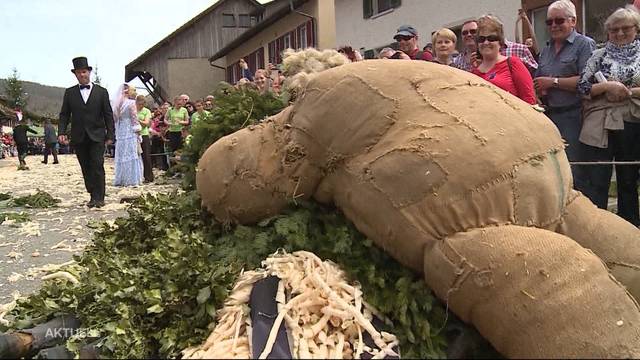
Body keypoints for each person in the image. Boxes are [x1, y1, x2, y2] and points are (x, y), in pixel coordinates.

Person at [576, 6, 640, 225]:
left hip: (633, 123)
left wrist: (627, 92)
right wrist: (606, 88)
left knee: (628, 180)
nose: (620, 34)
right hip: (601, 124)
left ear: (636, 29)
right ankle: (599, 228)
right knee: (598, 179)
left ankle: (630, 230)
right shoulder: (598, 55)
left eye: (625, 29)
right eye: (614, 30)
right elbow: (583, 87)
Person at [534, 0, 596, 190]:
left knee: (576, 171)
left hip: (576, 115)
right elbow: (539, 80)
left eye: (559, 21)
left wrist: (553, 82)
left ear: (573, 21)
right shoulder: (546, 49)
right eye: (549, 22)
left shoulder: (584, 44)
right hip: (550, 116)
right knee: (555, 170)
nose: (554, 26)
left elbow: (589, 81)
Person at [59, 57, 114, 208]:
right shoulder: (69, 93)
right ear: (75, 74)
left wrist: (111, 135)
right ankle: (92, 194)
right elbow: (64, 114)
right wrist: (61, 132)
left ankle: (99, 197)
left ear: (89, 72)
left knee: (97, 165)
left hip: (97, 135)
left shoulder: (102, 92)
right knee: (85, 167)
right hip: (78, 136)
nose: (82, 75)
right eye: (78, 73)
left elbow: (108, 114)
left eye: (84, 71)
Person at [472, 15, 537, 105]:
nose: (486, 42)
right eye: (481, 39)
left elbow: (529, 100)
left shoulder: (513, 63)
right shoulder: (474, 73)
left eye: (491, 38)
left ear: (500, 41)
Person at [112, 84, 143, 187]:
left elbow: (115, 119)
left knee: (122, 154)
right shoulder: (131, 103)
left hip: (121, 130)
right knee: (131, 153)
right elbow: (134, 118)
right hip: (129, 129)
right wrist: (138, 132)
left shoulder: (117, 104)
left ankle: (121, 178)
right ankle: (132, 179)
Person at [136, 95, 154, 183]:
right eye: (139, 104)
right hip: (134, 136)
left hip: (144, 134)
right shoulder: (133, 110)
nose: (141, 106)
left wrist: (137, 120)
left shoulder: (146, 111)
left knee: (146, 156)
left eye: (143, 104)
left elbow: (146, 123)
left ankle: (148, 176)